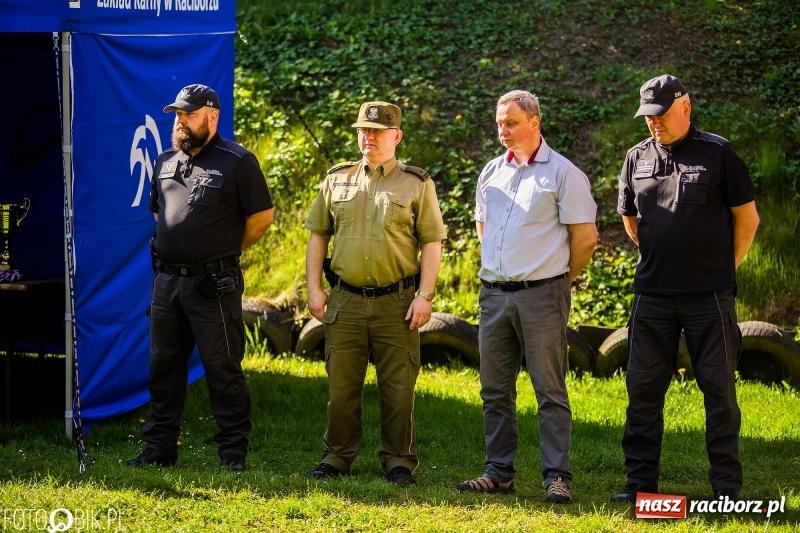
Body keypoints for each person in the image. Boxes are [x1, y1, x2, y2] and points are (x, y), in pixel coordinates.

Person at [611, 74, 760, 503]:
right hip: (652, 296)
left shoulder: (718, 153)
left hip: (708, 297)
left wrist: (722, 268)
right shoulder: (636, 157)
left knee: (719, 392)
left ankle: (726, 488)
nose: (654, 122)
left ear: (685, 108)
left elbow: (747, 220)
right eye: (648, 116)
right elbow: (630, 220)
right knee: (642, 392)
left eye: (660, 114)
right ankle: (640, 485)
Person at [457, 90, 598, 503]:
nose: (502, 130)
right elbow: (484, 228)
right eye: (499, 123)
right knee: (494, 389)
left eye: (511, 123)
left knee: (549, 390)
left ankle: (557, 477)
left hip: (542, 295)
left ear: (534, 123)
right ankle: (498, 473)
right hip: (493, 296)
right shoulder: (491, 171)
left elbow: (586, 238)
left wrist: (560, 281)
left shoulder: (563, 173)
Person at [128, 84, 274, 472]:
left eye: (188, 114)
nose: (180, 121)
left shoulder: (238, 161)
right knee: (163, 368)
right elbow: (158, 213)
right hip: (167, 284)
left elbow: (262, 218)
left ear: (212, 117)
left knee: (223, 369)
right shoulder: (164, 161)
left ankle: (232, 453)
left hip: (213, 285)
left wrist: (222, 250)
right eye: (177, 114)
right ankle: (159, 448)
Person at [303, 101, 446, 486]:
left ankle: (399, 461)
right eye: (364, 130)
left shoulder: (416, 184)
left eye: (378, 131)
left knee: (399, 391)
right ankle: (337, 457)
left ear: (396, 136)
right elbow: (318, 235)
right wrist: (314, 288)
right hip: (345, 301)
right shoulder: (337, 180)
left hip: (397, 303)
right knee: (341, 389)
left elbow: (432, 242)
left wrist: (425, 295)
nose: (369, 137)